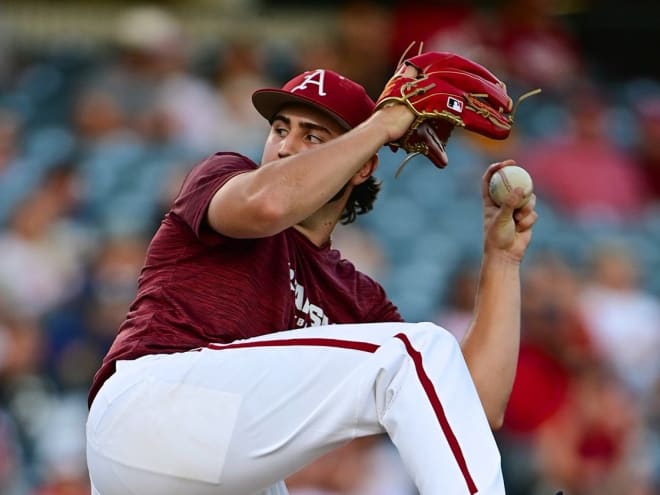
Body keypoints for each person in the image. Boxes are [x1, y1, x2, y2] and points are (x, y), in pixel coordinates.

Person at [85, 57, 538, 495]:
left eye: (312, 135)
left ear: (361, 165)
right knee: (417, 349)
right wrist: (384, 124)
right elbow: (269, 205)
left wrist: (502, 261)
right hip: (148, 412)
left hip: (216, 468)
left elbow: (468, 405)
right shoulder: (224, 176)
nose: (284, 145)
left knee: (421, 364)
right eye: (281, 129)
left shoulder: (354, 297)